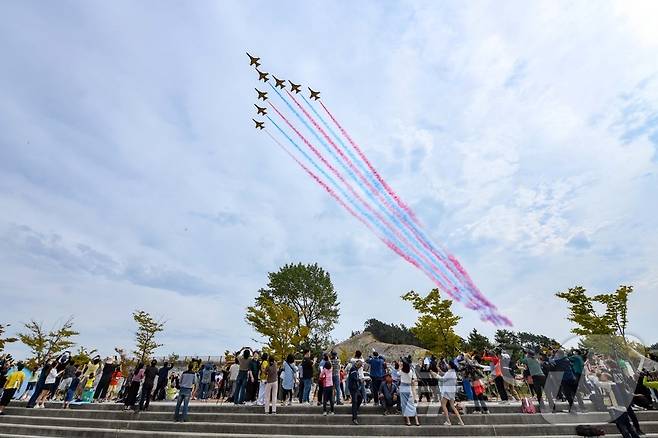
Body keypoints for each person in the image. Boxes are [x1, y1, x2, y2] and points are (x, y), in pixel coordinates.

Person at [440, 361, 465, 426]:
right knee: (452, 406)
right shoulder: (454, 372)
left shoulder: (449, 372)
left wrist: (435, 375)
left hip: (447, 391)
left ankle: (448, 421)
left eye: (447, 364)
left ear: (450, 365)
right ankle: (461, 421)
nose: (447, 365)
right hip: (452, 391)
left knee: (443, 404)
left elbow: (442, 379)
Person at [399, 360, 420, 426]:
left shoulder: (401, 371)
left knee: (404, 405)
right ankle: (417, 421)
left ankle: (408, 421)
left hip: (403, 388)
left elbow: (397, 374)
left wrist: (400, 366)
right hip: (408, 388)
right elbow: (412, 380)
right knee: (412, 404)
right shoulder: (411, 372)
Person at [347, 360, 364, 425]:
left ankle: (355, 410)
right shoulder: (353, 369)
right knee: (355, 401)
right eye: (360, 365)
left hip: (356, 387)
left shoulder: (355, 369)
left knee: (360, 398)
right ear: (358, 364)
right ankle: (354, 418)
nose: (360, 367)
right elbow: (354, 378)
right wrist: (360, 380)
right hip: (353, 388)